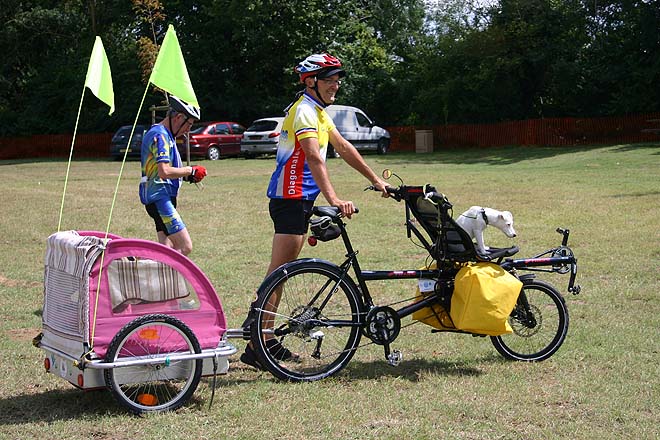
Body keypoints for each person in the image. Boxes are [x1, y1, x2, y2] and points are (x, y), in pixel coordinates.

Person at [240, 53, 389, 368]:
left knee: (280, 273)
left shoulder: (319, 112)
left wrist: (376, 179)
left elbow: (344, 147)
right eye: (330, 79)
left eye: (337, 79)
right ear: (311, 81)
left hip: (299, 198)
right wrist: (334, 198)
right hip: (290, 198)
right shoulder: (305, 112)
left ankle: (261, 338)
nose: (336, 84)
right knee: (278, 273)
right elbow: (313, 157)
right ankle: (259, 341)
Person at [139, 95, 207, 256]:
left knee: (166, 251)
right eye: (188, 124)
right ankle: (139, 268)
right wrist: (190, 170)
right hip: (159, 198)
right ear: (177, 118)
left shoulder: (166, 135)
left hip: (161, 196)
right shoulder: (160, 135)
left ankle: (157, 280)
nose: (188, 130)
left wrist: (186, 176)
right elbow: (164, 171)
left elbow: (161, 171)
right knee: (184, 247)